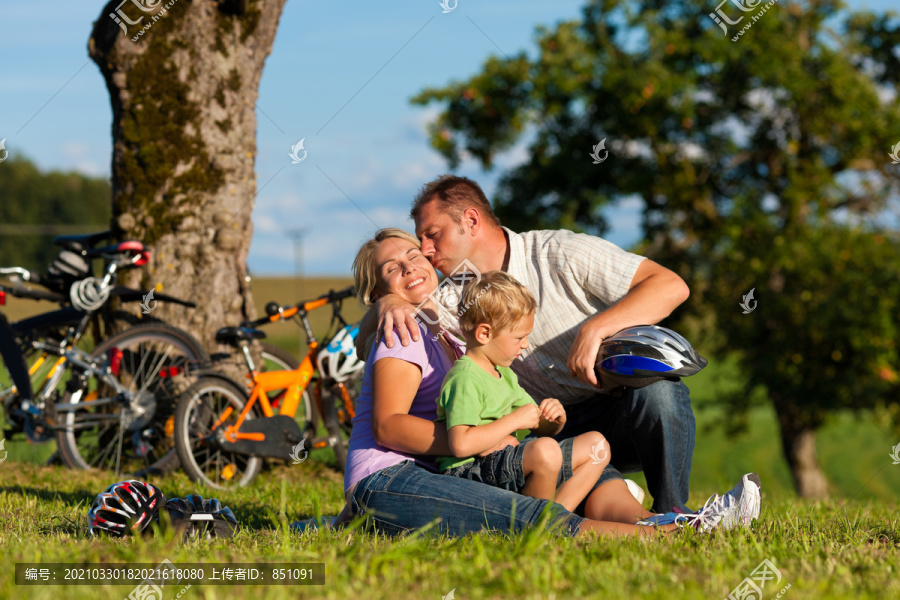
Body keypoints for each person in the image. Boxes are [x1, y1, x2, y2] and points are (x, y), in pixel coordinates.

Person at [323, 227, 761, 539]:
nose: (411, 265)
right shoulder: (403, 328)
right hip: (390, 479)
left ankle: (656, 518)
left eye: (414, 254)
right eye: (392, 268)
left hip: (447, 464)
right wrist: (484, 438)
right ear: (379, 288)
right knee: (524, 516)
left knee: (588, 456)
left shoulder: (449, 323)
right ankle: (673, 535)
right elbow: (389, 428)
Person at [357, 175, 697, 514]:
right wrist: (386, 303)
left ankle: (675, 513)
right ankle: (608, 513)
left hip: (619, 417)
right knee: (570, 478)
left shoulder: (559, 253)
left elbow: (671, 286)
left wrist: (596, 329)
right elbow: (365, 343)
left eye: (432, 235)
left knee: (658, 392)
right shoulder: (450, 300)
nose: (426, 251)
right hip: (535, 432)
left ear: (471, 221)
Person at [437, 270, 610, 515]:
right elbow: (461, 444)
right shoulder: (464, 378)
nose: (525, 344)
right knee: (545, 450)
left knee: (597, 445)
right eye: (520, 337)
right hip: (470, 472)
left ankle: (555, 519)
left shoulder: (504, 374)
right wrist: (513, 422)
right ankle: (535, 523)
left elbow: (539, 426)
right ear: (484, 334)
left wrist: (554, 418)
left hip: (507, 461)